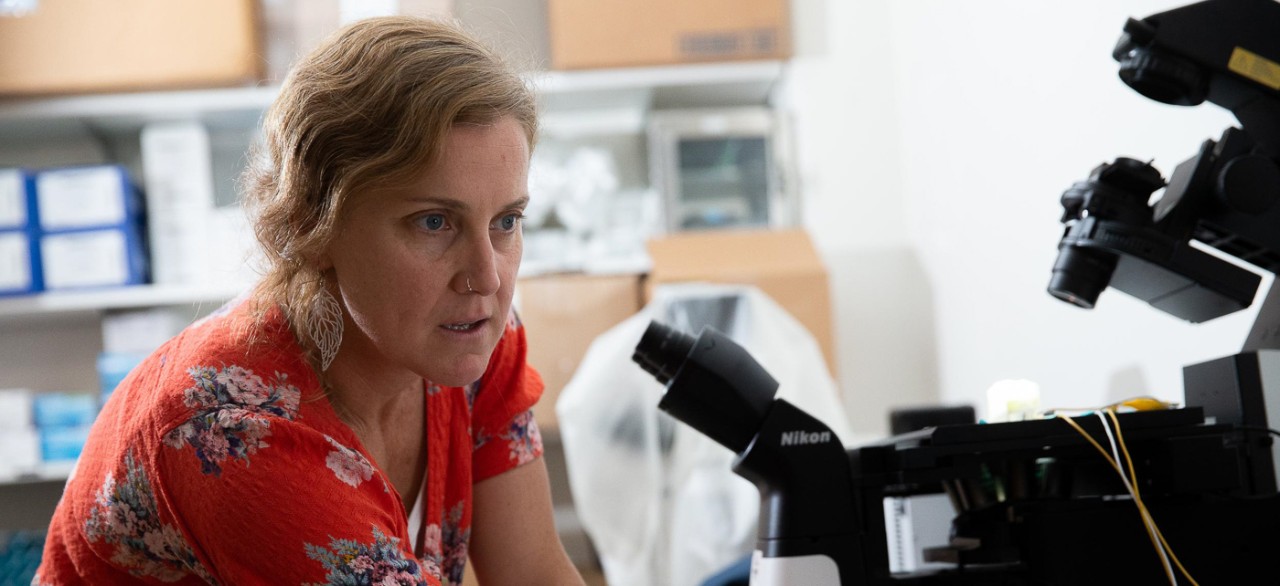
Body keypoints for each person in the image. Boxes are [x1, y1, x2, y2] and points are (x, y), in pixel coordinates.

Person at [36, 16, 584, 586]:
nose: (487, 277)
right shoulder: (237, 432)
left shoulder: (474, 334)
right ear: (311, 224)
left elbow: (535, 571)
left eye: (506, 221)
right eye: (433, 222)